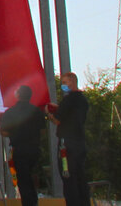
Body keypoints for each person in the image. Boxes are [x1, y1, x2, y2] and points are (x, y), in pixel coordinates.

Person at [0, 86, 45, 206]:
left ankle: (27, 203)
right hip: (34, 148)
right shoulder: (36, 111)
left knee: (23, 179)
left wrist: (14, 133)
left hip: (19, 149)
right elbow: (42, 130)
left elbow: (3, 131)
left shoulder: (10, 112)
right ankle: (34, 200)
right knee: (33, 176)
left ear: (18, 95)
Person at [49, 73, 89, 206]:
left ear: (72, 82)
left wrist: (49, 114)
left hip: (66, 144)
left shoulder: (68, 100)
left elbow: (57, 120)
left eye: (65, 82)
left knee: (68, 177)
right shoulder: (83, 100)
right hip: (80, 142)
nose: (63, 85)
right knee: (80, 178)